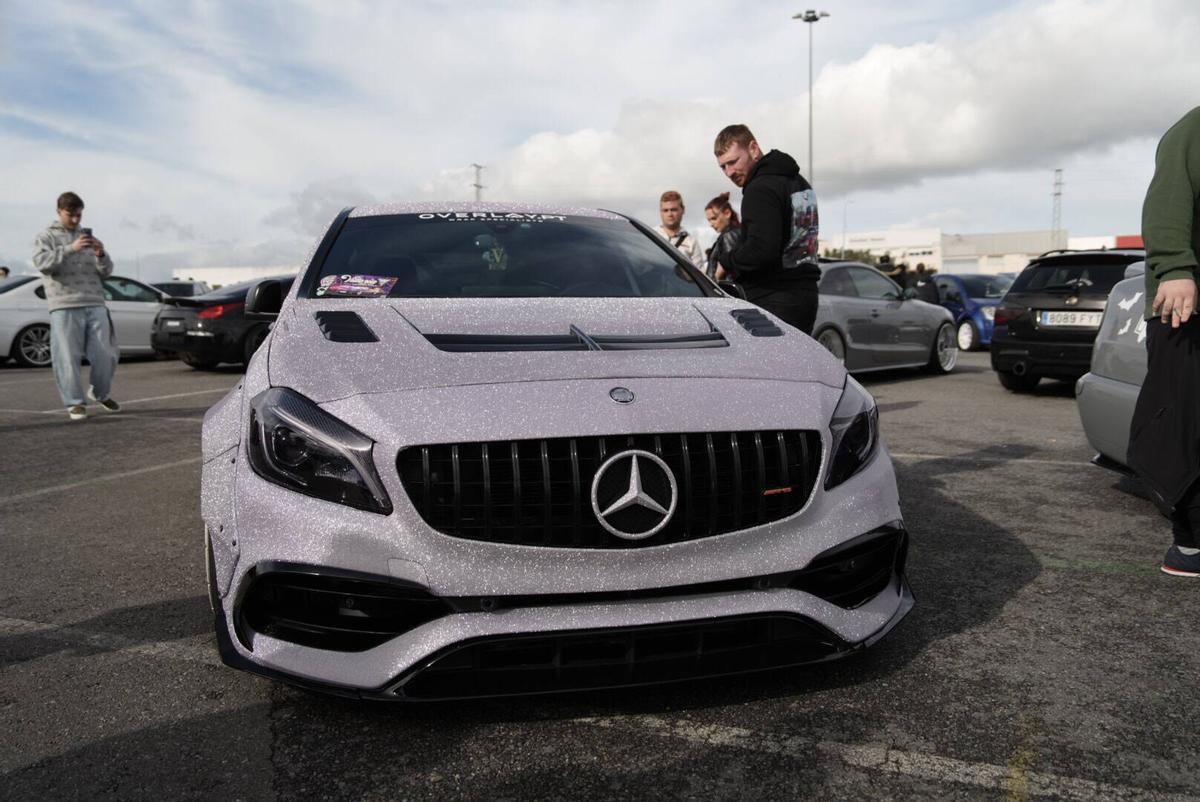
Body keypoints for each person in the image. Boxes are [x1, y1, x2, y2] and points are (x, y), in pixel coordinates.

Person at [1126, 106, 1200, 576]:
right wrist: (1175, 269)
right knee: (1183, 427)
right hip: (1187, 307)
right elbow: (1168, 199)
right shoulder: (1193, 129)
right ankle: (1191, 543)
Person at [713, 124, 819, 334]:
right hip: (806, 297)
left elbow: (761, 250)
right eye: (723, 167)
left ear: (753, 148)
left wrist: (725, 261)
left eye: (733, 162)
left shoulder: (760, 188)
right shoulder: (799, 182)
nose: (729, 172)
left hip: (773, 299)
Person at [31, 191, 120, 421]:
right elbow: (42, 263)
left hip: (95, 302)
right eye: (71, 215)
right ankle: (74, 403)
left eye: (79, 215)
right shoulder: (46, 237)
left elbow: (106, 272)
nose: (75, 220)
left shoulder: (87, 237)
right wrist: (71, 248)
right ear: (59, 211)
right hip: (64, 304)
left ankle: (100, 392)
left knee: (106, 353)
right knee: (67, 357)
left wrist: (101, 254)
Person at [655, 191, 705, 271]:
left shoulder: (691, 242)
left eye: (673, 210)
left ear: (683, 210)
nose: (670, 214)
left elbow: (699, 273)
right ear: (660, 212)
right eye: (665, 210)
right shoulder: (651, 236)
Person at [704, 192, 742, 281]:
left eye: (714, 218)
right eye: (709, 220)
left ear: (727, 213)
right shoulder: (733, 234)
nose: (711, 224)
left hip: (725, 291)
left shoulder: (729, 236)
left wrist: (716, 279)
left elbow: (731, 269)